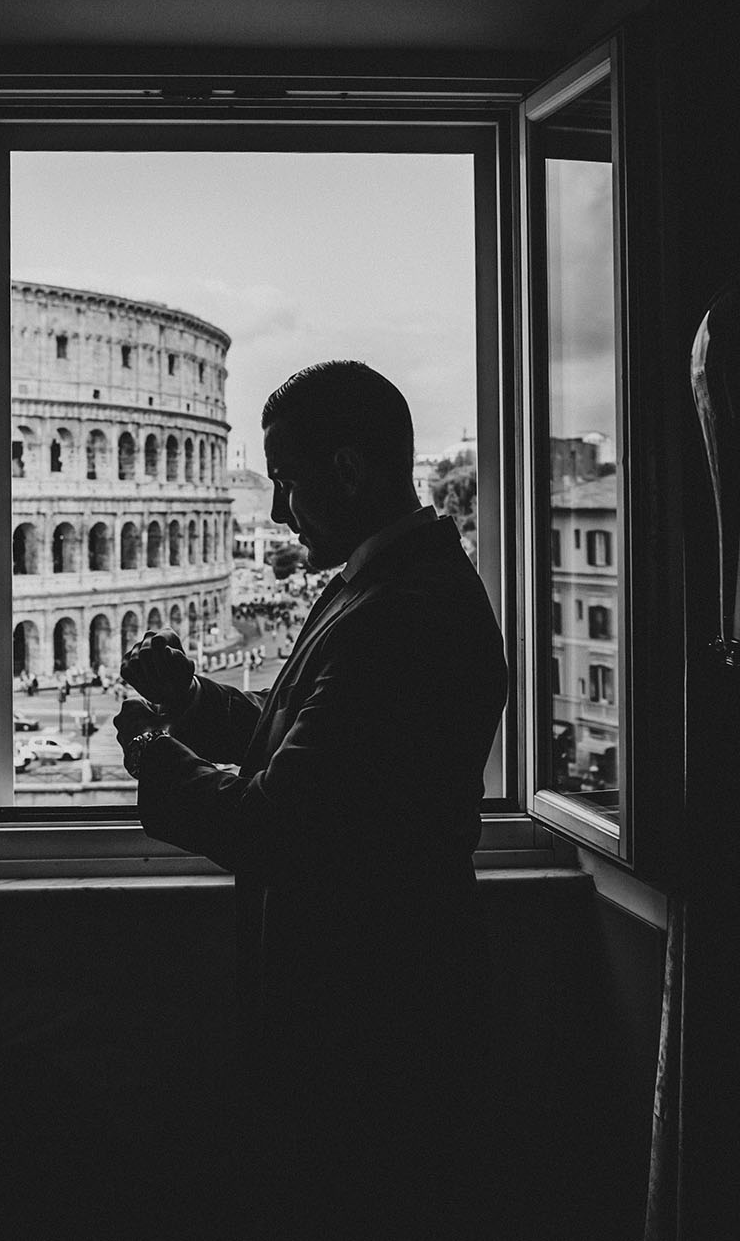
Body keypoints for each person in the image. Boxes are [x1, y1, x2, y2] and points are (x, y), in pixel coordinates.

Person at [115, 361, 508, 1239]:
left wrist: (151, 750)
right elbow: (312, 745)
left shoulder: (400, 611)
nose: (281, 511)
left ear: (347, 470)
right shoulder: (392, 580)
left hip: (369, 1009)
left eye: (288, 483)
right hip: (372, 988)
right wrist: (190, 699)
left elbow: (278, 823)